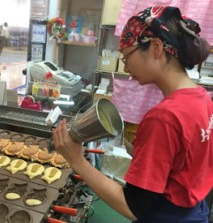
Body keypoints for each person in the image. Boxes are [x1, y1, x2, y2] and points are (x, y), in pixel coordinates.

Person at [52, 5, 212, 223]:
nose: (125, 67)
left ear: (156, 47)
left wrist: (77, 160)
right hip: (196, 213)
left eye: (126, 56)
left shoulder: (164, 117)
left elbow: (133, 207)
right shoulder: (203, 99)